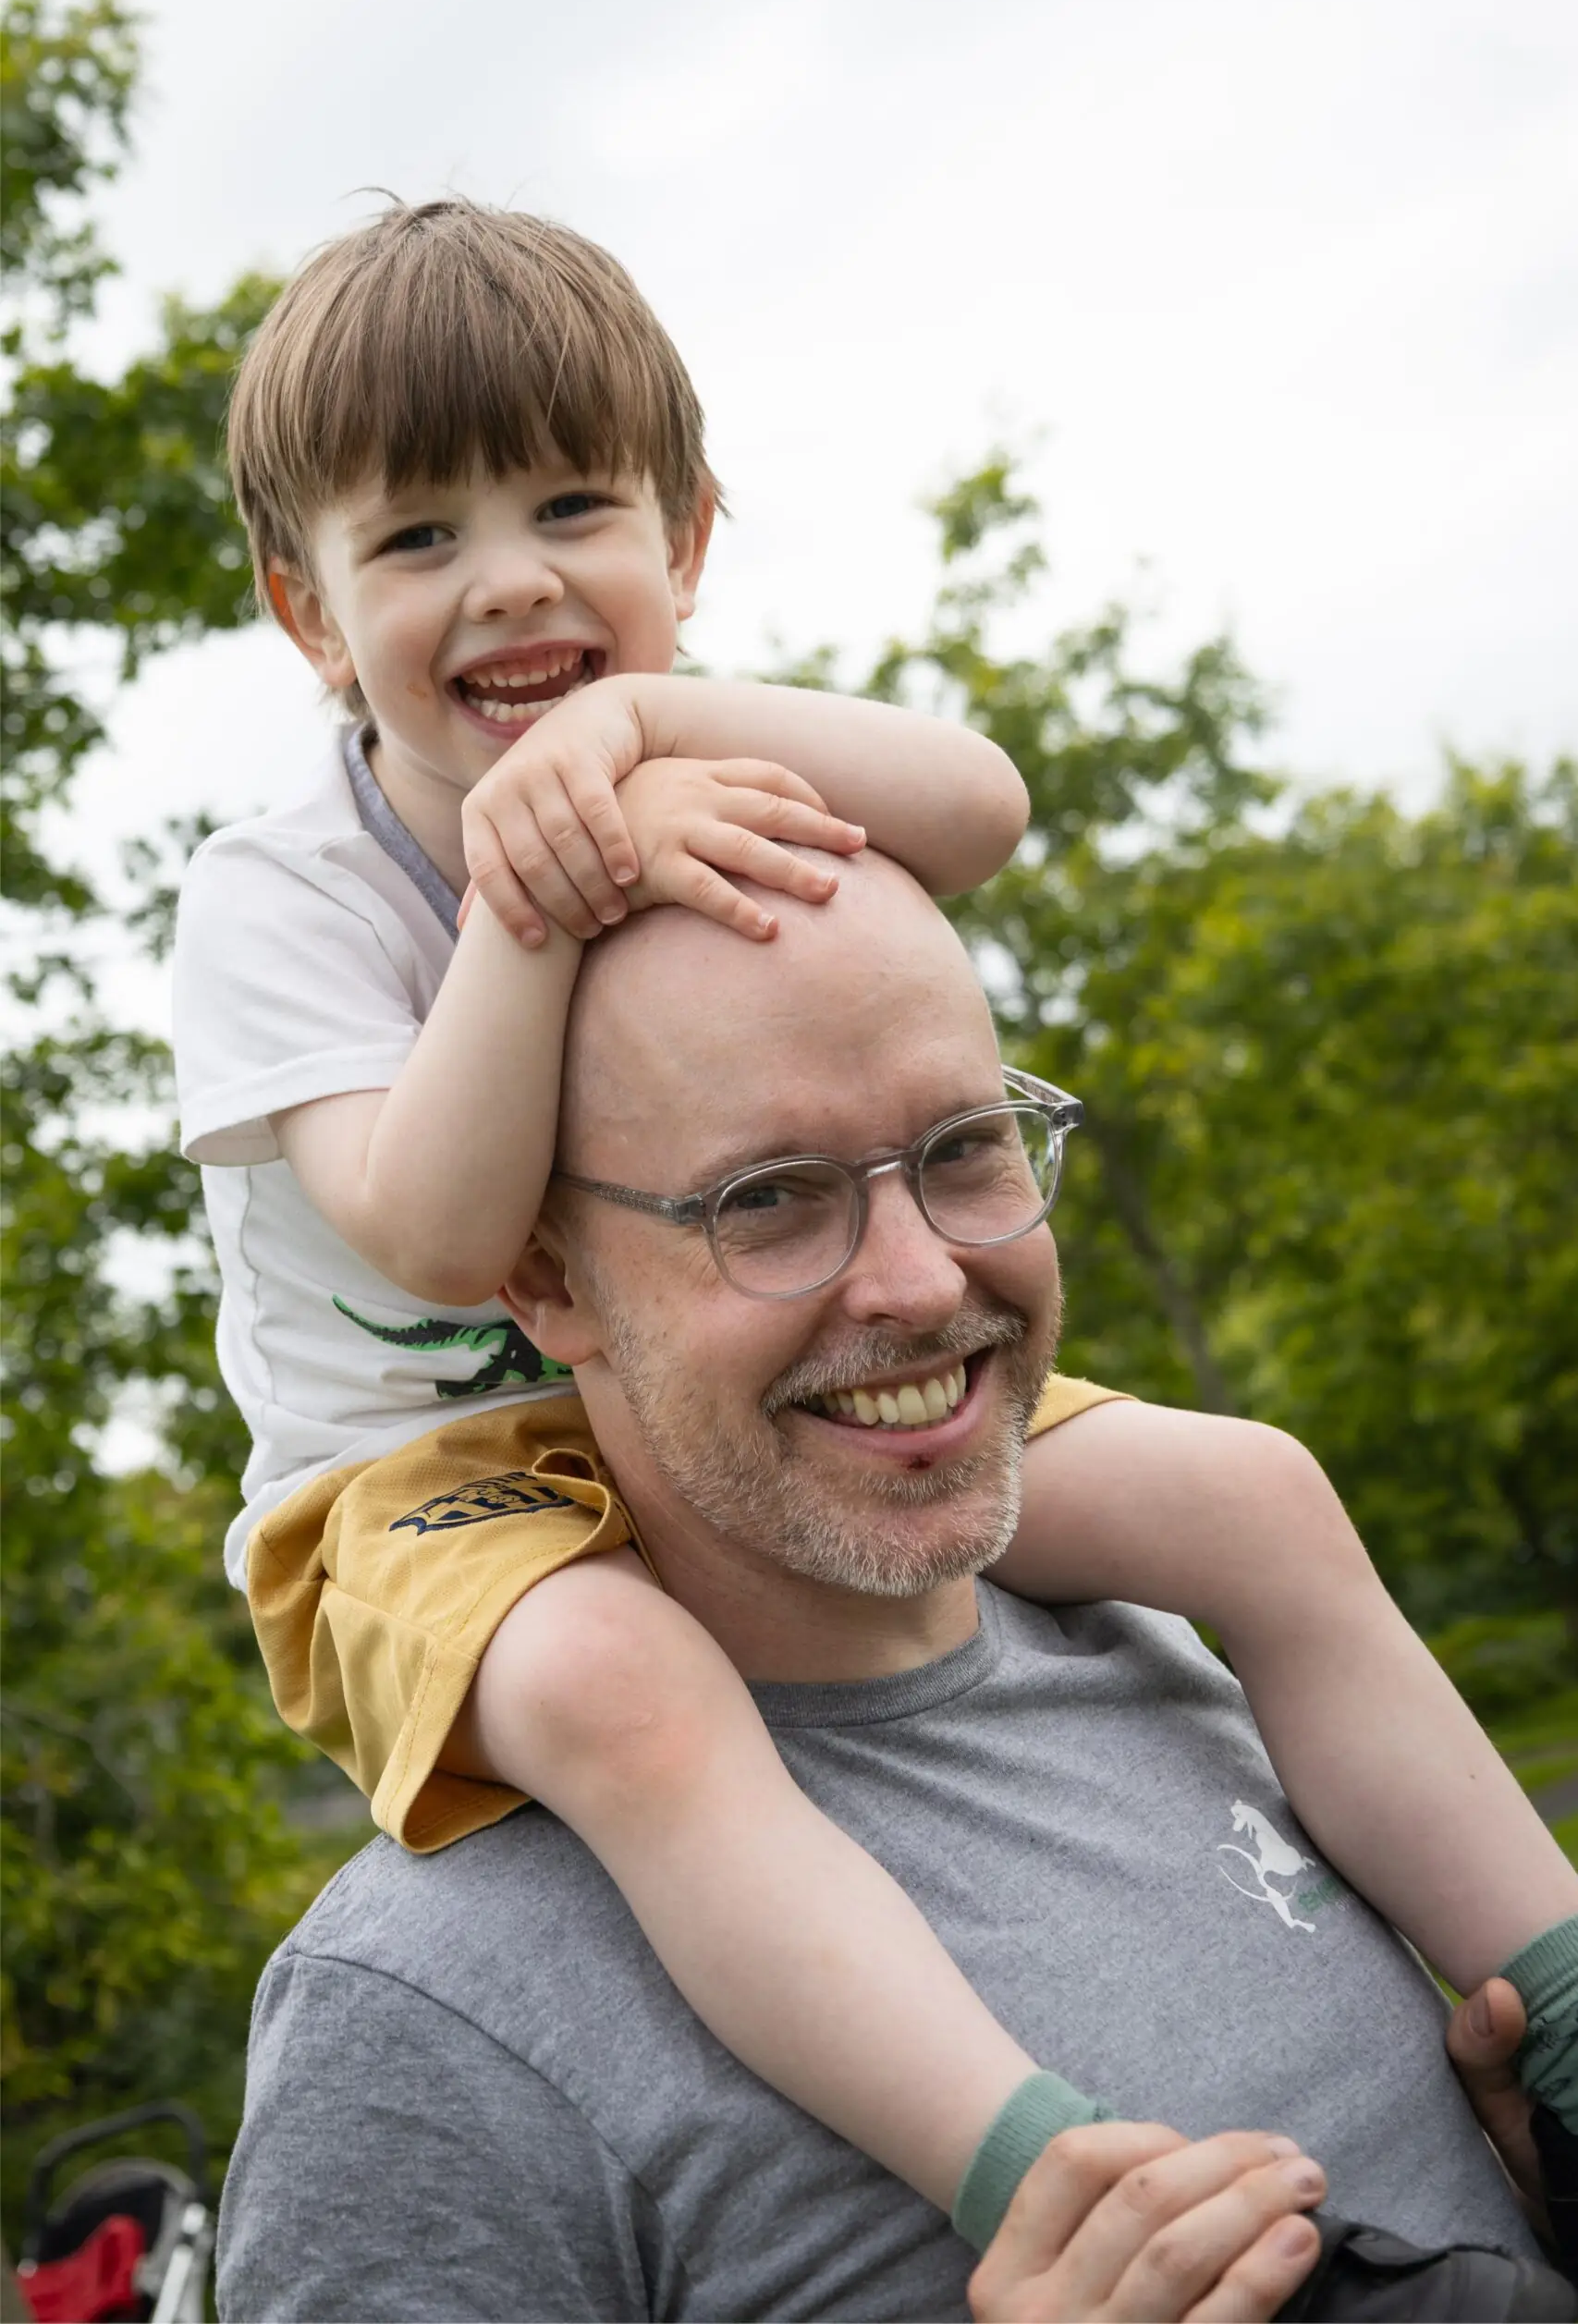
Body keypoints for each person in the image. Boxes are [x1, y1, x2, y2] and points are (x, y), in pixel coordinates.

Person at [175, 195, 1577, 2266]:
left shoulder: (674, 736)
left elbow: (979, 805)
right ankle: (1031, 2159)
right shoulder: (277, 894)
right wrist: (547, 887)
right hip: (426, 1490)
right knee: (641, 1703)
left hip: (733, 1359)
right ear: (307, 613)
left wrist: (636, 737)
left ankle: (1551, 1995)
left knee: (1253, 1493)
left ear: (693, 538)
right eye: (415, 541)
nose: (511, 583)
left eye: (573, 503)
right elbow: (440, 1228)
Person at [216, 857, 1570, 2320]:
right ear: (543, 1283)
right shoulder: (428, 2017)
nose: (921, 1283)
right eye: (770, 1200)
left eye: (964, 1151)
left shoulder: (1182, 1655)